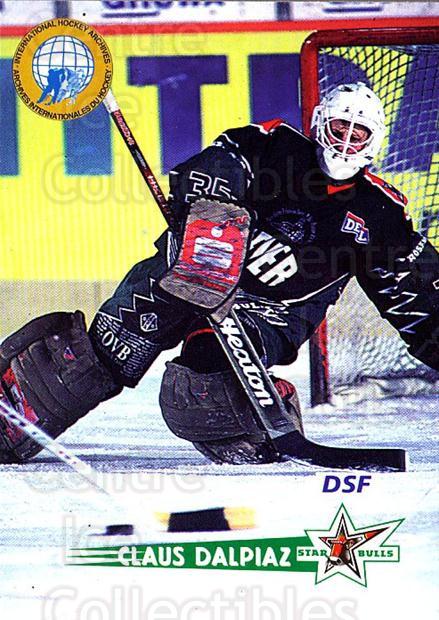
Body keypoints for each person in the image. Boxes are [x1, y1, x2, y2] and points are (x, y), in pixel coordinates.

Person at [1, 83, 438, 464]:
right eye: (339, 127)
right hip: (188, 274)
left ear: (373, 143)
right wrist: (214, 218)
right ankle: (10, 418)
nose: (344, 141)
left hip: (268, 312)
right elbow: (219, 163)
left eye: (357, 133)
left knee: (202, 388)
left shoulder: (380, 214)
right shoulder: (273, 145)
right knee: (104, 352)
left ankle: (266, 412)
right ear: (319, 123)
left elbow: (420, 299)